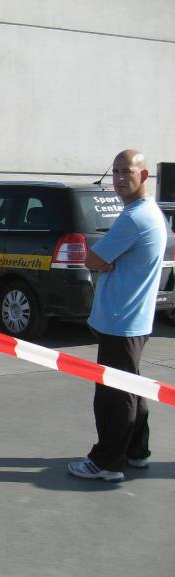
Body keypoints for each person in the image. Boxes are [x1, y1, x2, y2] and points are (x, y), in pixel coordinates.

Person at [68, 150, 167, 483]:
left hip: (121, 321)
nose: (120, 178)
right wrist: (106, 260)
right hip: (131, 319)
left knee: (114, 395)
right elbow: (102, 259)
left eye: (128, 171)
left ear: (144, 175)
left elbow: (92, 260)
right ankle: (136, 451)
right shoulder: (147, 212)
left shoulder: (134, 217)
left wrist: (104, 261)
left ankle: (107, 462)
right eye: (117, 171)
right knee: (132, 387)